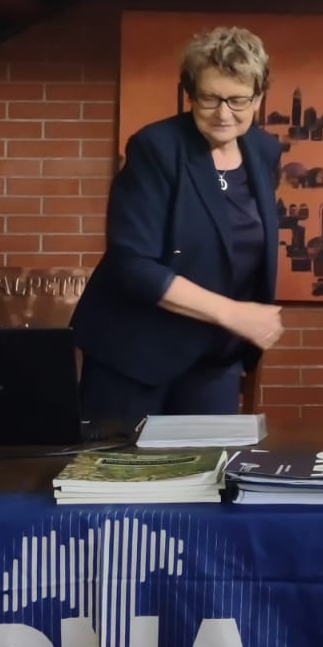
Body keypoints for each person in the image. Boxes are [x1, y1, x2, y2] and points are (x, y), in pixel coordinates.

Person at [72, 26, 283, 421]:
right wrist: (233, 313)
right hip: (135, 355)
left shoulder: (264, 151)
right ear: (190, 94)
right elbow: (133, 264)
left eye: (238, 100)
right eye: (210, 98)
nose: (223, 113)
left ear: (258, 97)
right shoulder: (156, 148)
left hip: (214, 358)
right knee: (120, 462)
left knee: (210, 461)